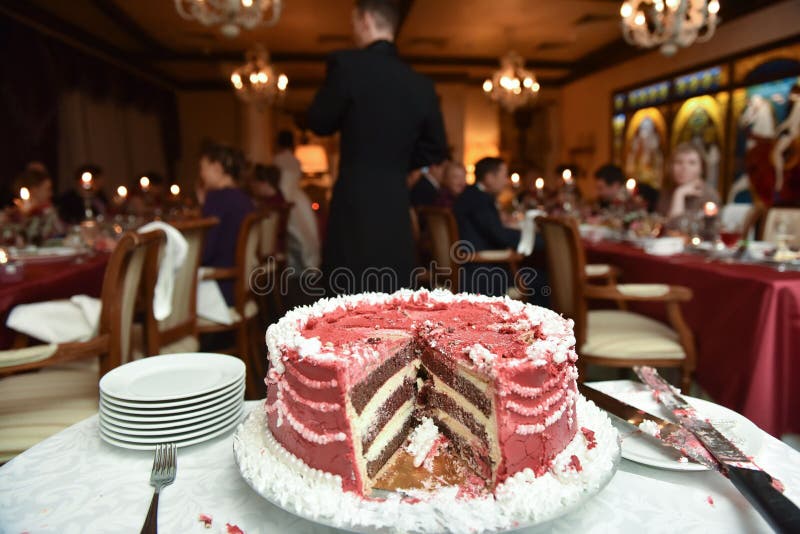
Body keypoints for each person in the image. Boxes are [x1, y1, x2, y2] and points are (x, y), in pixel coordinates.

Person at [307, 0, 447, 294]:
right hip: (395, 202)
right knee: (391, 294)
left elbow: (319, 121)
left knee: (345, 295)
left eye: (353, 22)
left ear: (365, 19)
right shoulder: (420, 84)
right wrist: (399, 165)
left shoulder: (346, 65)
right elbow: (436, 147)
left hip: (353, 199)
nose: (353, 29)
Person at [453, 157, 520, 296]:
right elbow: (500, 237)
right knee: (541, 279)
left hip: (468, 266)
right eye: (504, 175)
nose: (506, 181)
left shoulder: (470, 194)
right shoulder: (480, 200)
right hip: (481, 272)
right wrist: (529, 239)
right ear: (489, 177)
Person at [198, 141, 255, 305]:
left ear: (216, 167)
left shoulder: (216, 199)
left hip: (219, 288)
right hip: (239, 285)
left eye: (202, 168)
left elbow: (206, 252)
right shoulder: (244, 199)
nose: (201, 174)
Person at [272, 130, 321, 271]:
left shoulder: (278, 159)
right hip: (298, 196)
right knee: (303, 232)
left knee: (292, 232)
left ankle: (293, 265)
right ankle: (298, 264)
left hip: (286, 195)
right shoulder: (295, 160)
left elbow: (279, 181)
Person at [657, 142, 720, 229]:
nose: (684, 167)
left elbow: (675, 228)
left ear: (702, 168)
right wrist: (680, 193)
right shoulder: (667, 192)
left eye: (692, 163)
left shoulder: (709, 195)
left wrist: (679, 194)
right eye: (678, 162)